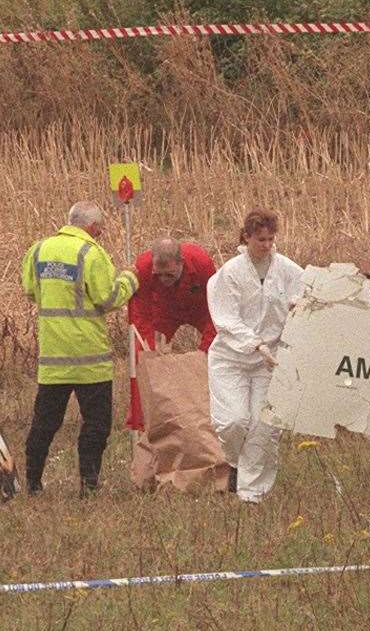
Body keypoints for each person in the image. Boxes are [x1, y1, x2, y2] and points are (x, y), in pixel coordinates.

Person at [21, 201, 138, 496]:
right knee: (97, 424)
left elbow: (30, 291)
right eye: (100, 228)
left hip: (53, 358)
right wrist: (130, 279)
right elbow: (107, 298)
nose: (101, 232)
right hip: (90, 359)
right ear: (93, 227)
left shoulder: (38, 250)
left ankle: (33, 483)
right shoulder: (92, 253)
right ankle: (89, 483)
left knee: (45, 423)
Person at [207, 209, 304, 503]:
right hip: (231, 358)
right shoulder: (230, 273)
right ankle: (236, 463)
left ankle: (251, 495)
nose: (266, 245)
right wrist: (254, 343)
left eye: (271, 239)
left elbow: (306, 297)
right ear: (246, 237)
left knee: (264, 425)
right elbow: (226, 319)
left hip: (269, 360)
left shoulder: (287, 269)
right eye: (260, 239)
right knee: (234, 422)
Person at [126, 238, 217, 431]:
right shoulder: (142, 267)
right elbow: (140, 314)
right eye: (158, 275)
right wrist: (148, 348)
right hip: (165, 311)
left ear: (181, 262)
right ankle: (142, 420)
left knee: (218, 350)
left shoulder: (202, 262)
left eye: (169, 274)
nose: (164, 280)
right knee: (141, 356)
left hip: (199, 307)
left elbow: (216, 309)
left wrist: (205, 350)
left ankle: (215, 410)